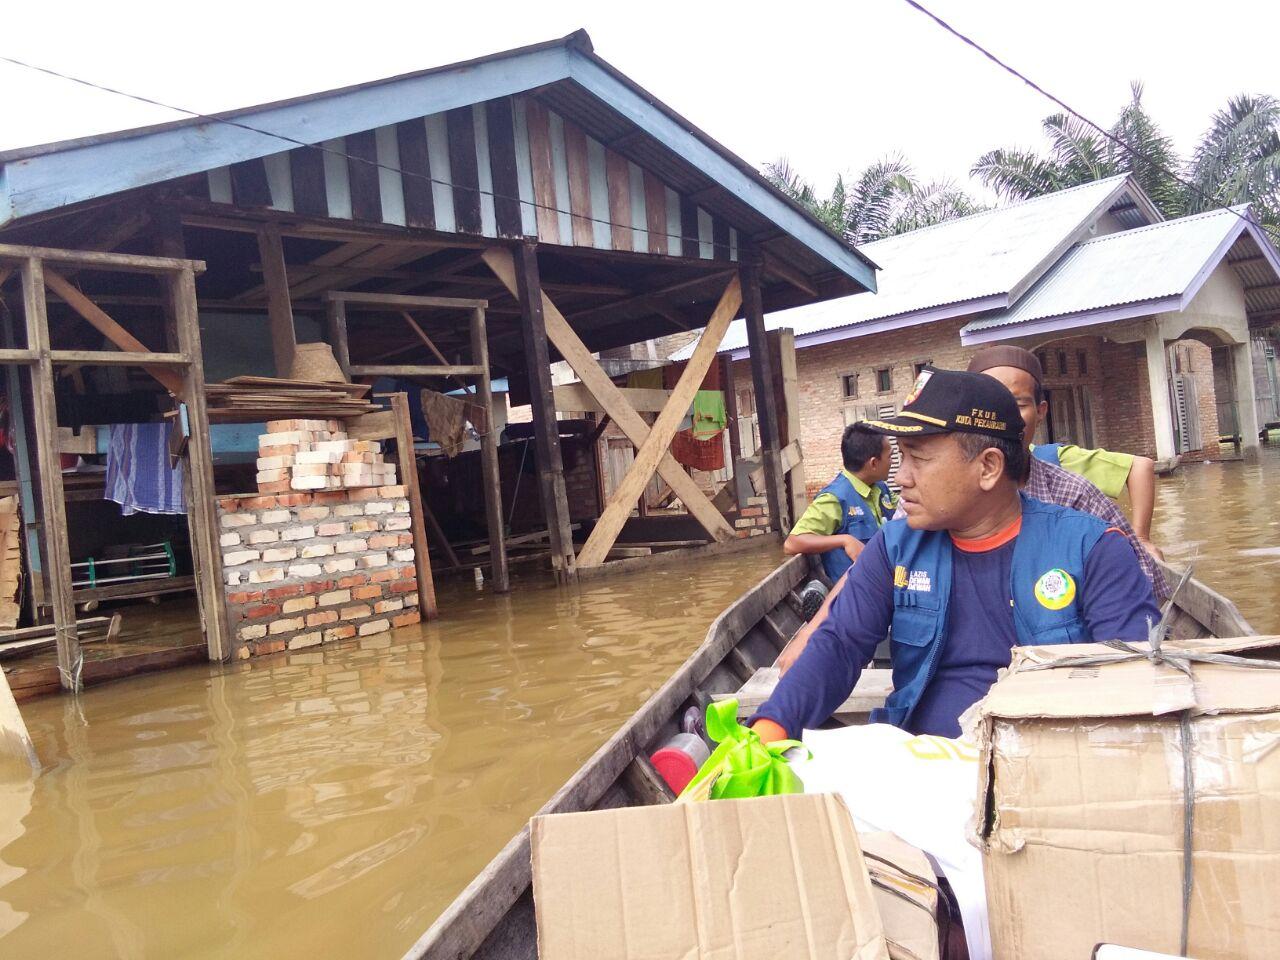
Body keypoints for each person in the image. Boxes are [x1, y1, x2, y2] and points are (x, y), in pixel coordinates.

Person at [752, 367, 1159, 741]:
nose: (901, 478)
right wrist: (768, 730)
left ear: (988, 467)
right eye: (901, 456)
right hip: (925, 762)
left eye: (918, 458)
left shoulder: (1094, 549)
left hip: (1051, 768)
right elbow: (839, 643)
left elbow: (1133, 687)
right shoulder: (894, 548)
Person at [966, 345, 1162, 560]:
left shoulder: (1070, 486)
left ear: (1041, 412)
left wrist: (1141, 538)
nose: (1002, 419)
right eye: (989, 406)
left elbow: (1134, 571)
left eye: (1018, 405)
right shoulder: (947, 492)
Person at [783, 423, 895, 581]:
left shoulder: (880, 489)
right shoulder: (834, 498)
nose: (892, 462)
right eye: (890, 456)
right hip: (854, 595)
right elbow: (792, 544)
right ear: (874, 463)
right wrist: (845, 540)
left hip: (885, 585)